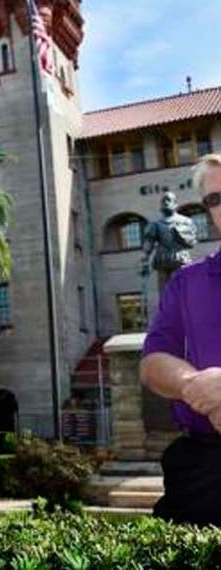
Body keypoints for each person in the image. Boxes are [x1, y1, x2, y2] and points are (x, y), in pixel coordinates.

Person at [141, 153, 221, 526]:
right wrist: (199, 387)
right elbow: (154, 360)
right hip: (204, 466)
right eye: (215, 199)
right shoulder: (187, 283)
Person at [141, 191, 197, 284]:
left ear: (175, 203)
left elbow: (192, 242)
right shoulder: (156, 224)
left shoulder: (186, 221)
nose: (166, 203)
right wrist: (146, 260)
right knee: (165, 290)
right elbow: (148, 243)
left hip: (180, 257)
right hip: (162, 259)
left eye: (168, 200)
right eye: (163, 201)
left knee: (181, 286)